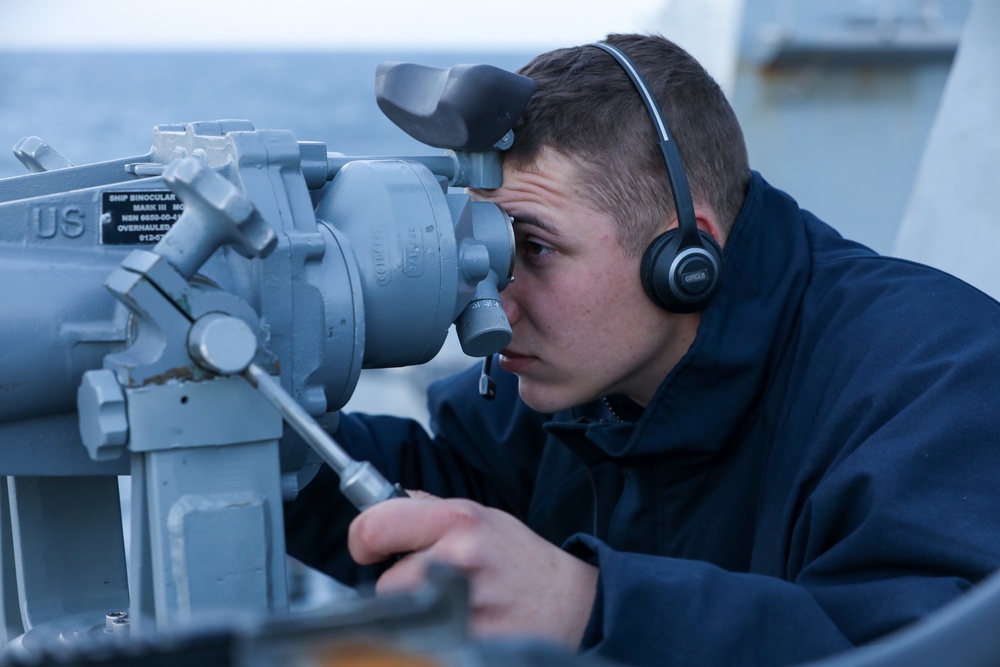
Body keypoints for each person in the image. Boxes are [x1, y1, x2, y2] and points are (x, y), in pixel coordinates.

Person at [284, 33, 1000, 666]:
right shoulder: (577, 362)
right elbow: (448, 490)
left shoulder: (939, 378)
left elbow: (927, 642)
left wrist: (591, 606)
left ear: (687, 258)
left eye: (534, 246)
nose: (495, 301)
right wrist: (273, 446)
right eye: (489, 250)